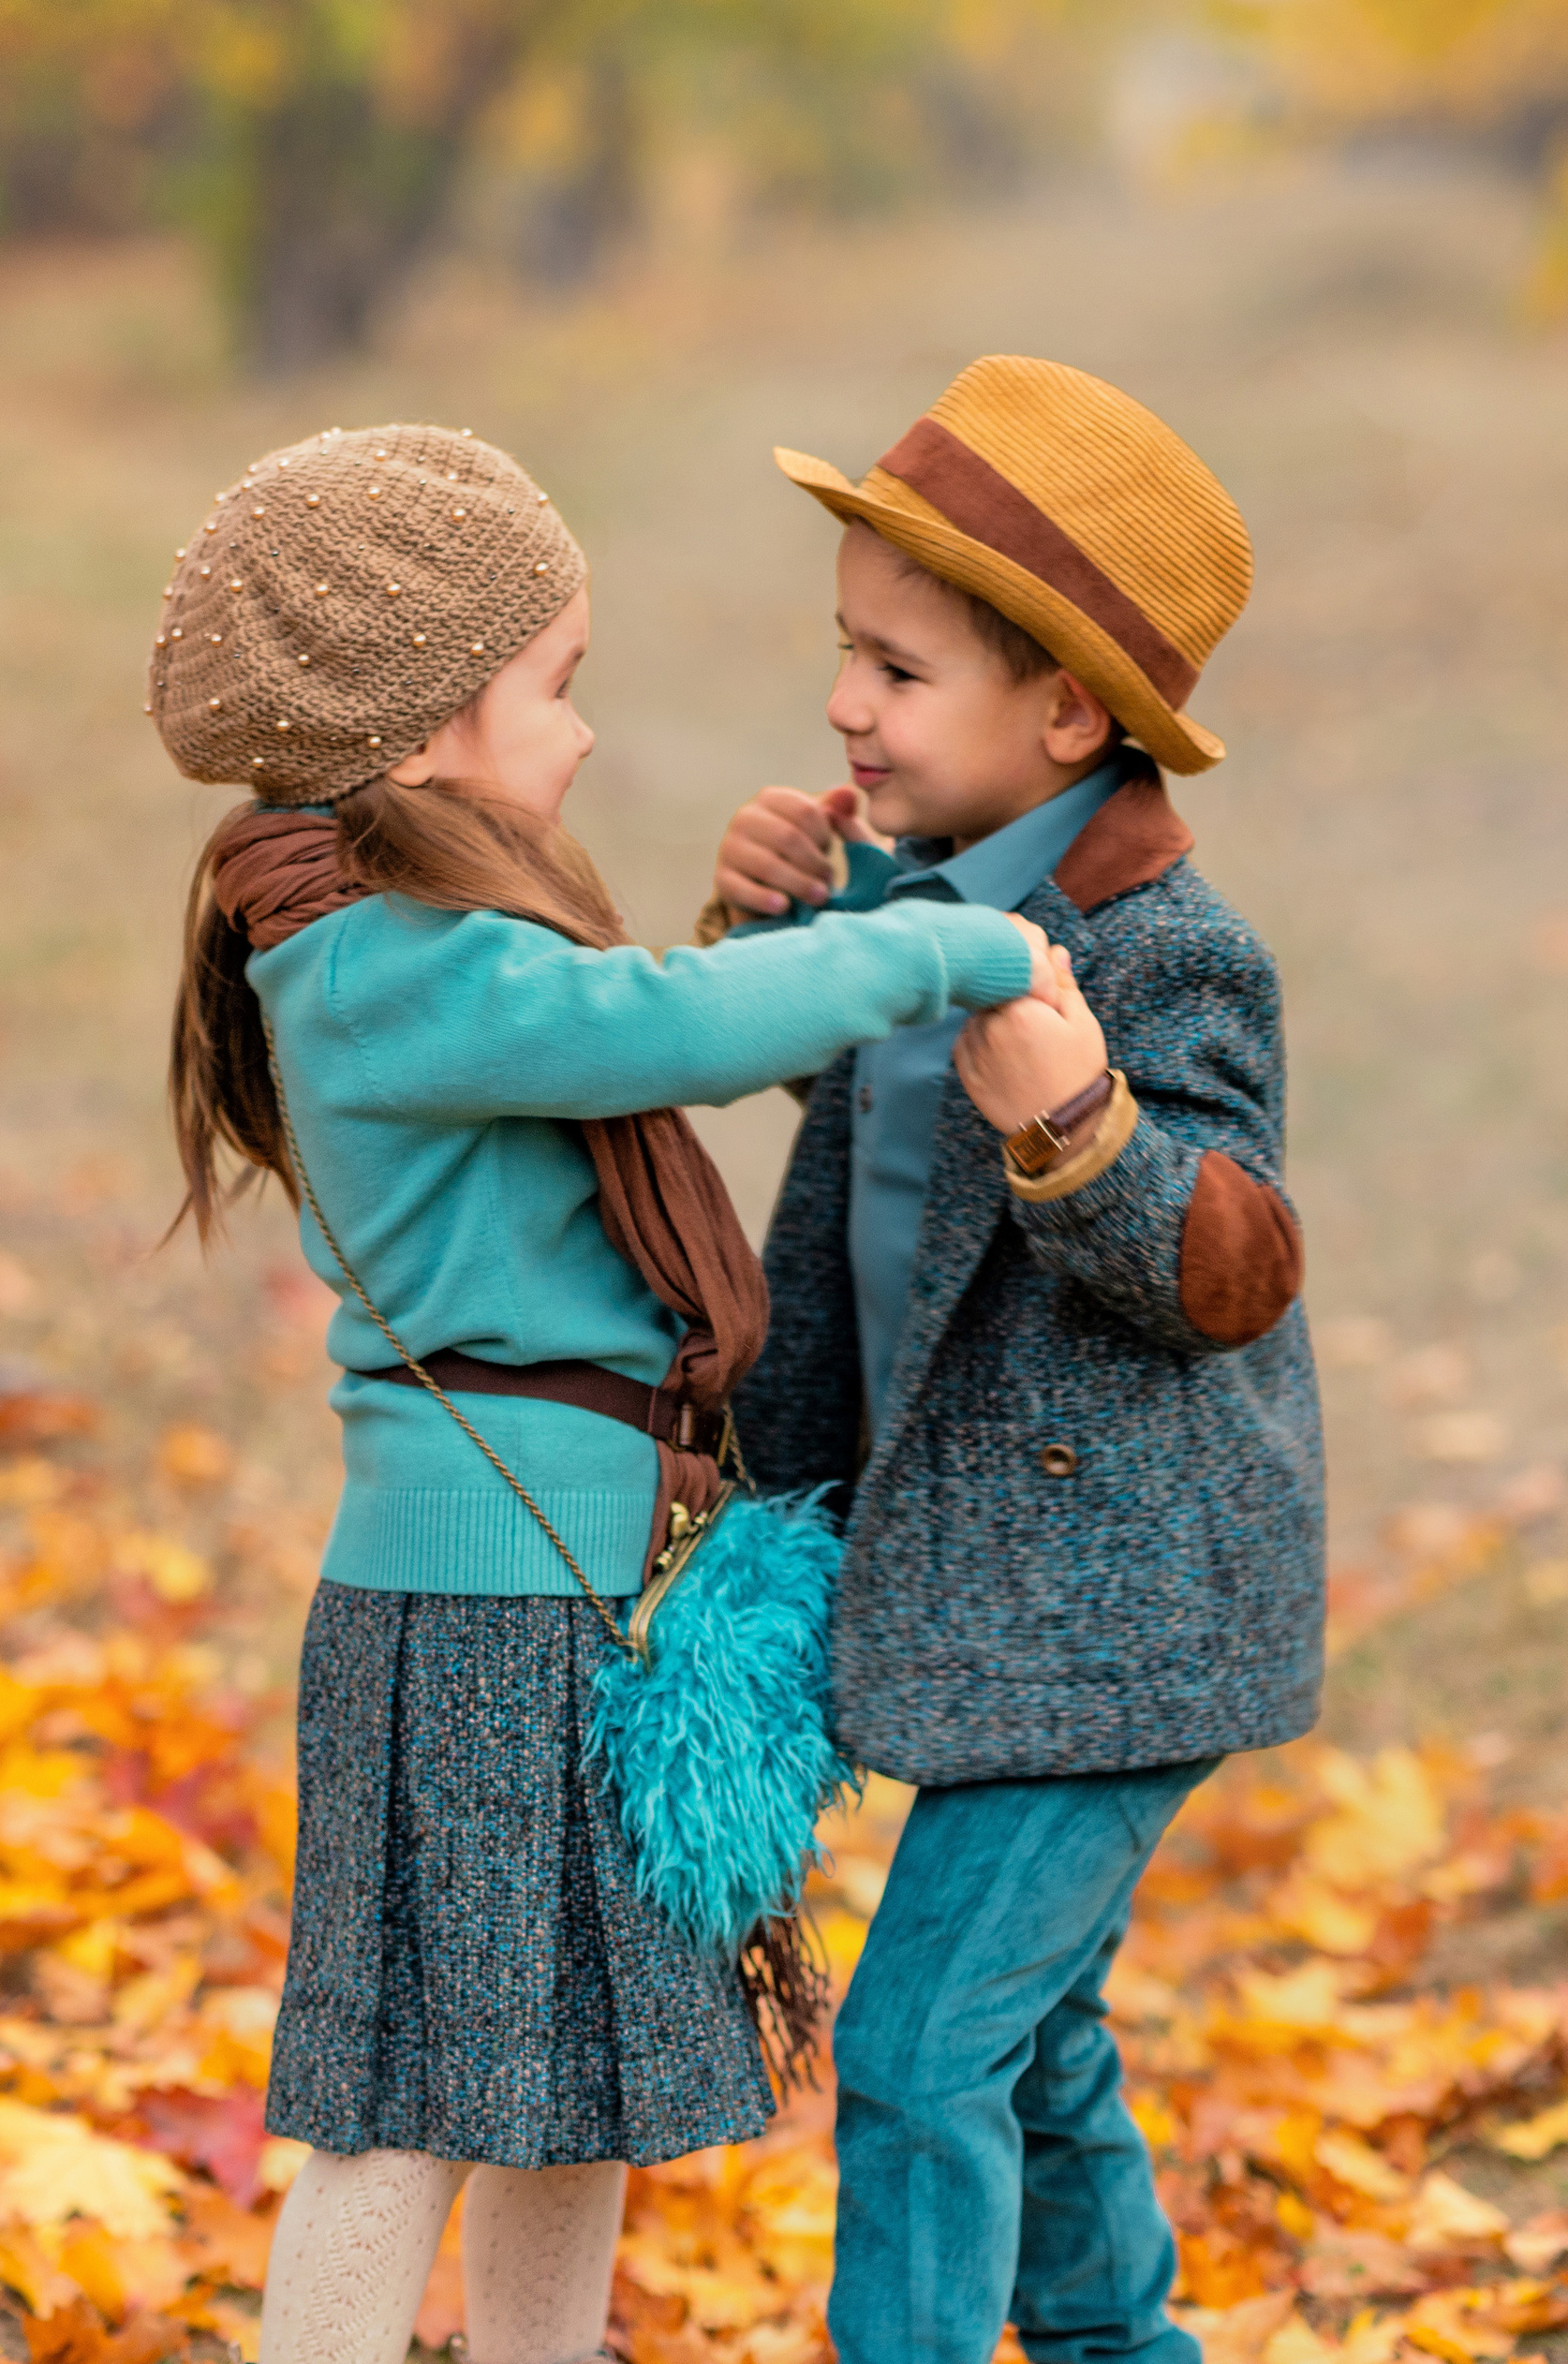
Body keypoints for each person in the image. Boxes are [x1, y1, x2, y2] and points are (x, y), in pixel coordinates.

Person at [152, 422, 1049, 2364]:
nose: (572, 745)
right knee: (404, 2109)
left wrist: (755, 927)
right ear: (420, 736)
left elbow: (613, 1034)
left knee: (563, 2095)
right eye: (553, 692)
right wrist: (937, 944)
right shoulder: (380, 967)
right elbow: (651, 1026)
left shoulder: (417, 956)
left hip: (574, 1592)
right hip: (483, 1607)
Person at [703, 355, 1325, 2364]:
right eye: (840, 655)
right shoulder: (907, 905)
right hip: (975, 1600)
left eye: (892, 669)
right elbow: (828, 1110)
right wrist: (757, 932)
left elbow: (1231, 1262)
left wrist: (1081, 1126)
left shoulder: (1167, 956)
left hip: (1118, 1623)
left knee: (913, 2050)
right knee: (1031, 2045)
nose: (838, 707)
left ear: (1064, 710)